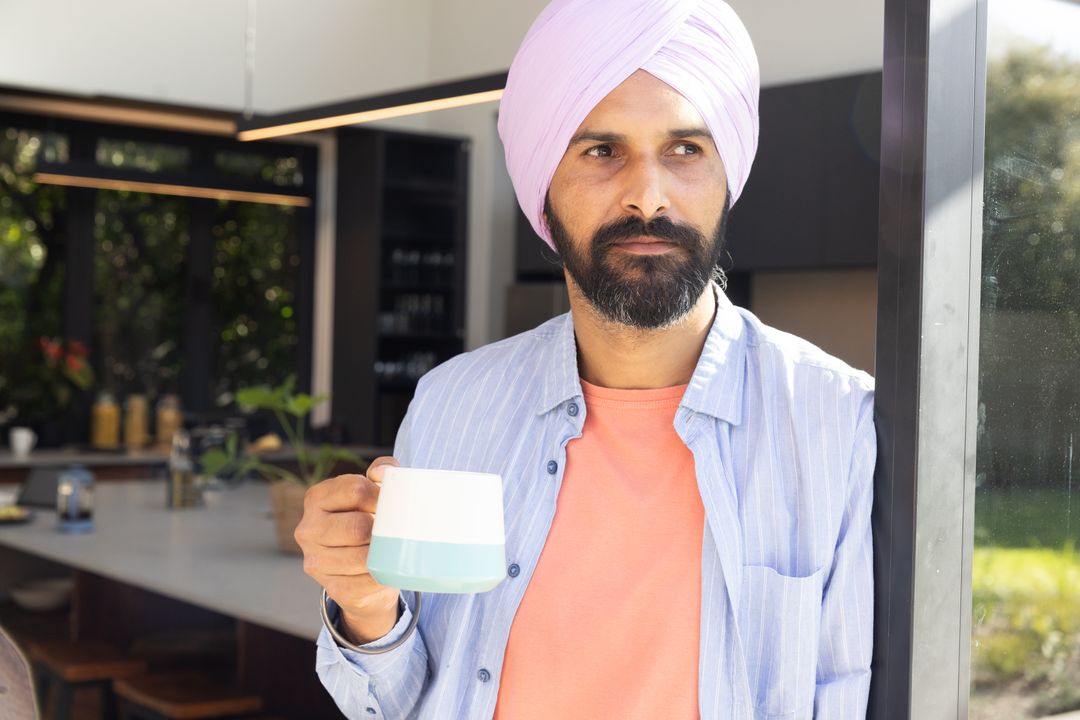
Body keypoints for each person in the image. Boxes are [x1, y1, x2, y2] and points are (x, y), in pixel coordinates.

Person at [297, 0, 876, 718]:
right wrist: (364, 607)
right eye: (602, 151)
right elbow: (389, 702)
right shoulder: (453, 402)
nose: (648, 197)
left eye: (685, 149)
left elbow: (850, 694)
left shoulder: (834, 421)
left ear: (727, 176)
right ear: (543, 187)